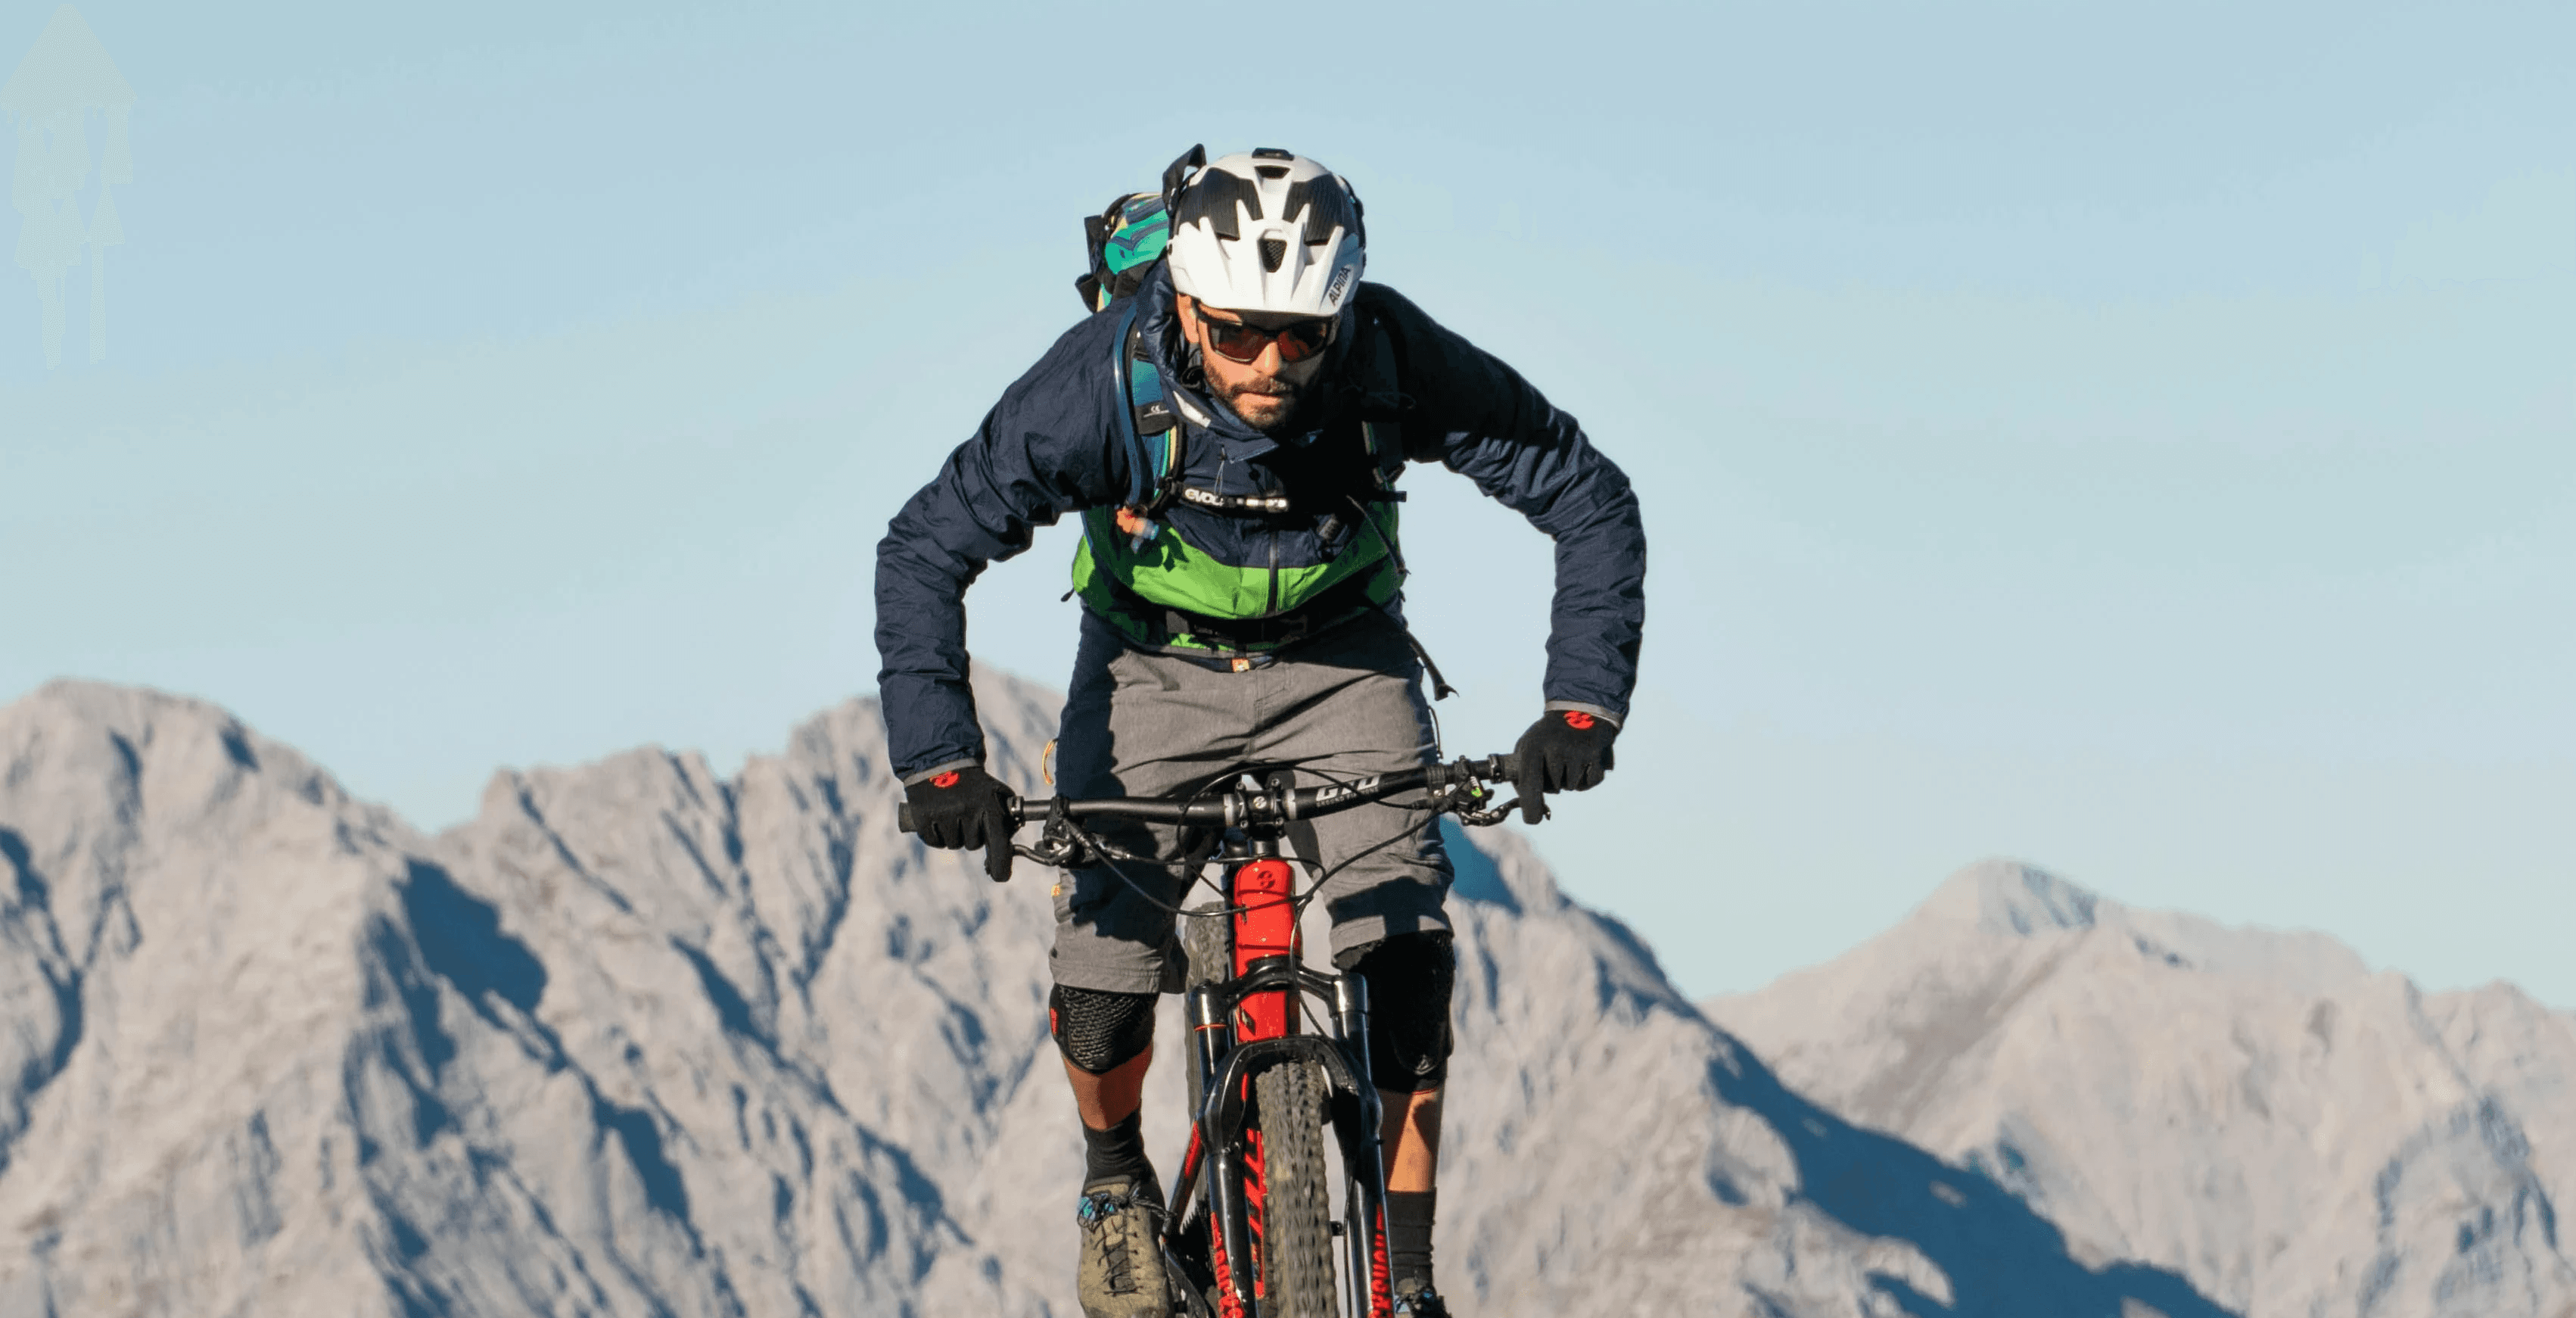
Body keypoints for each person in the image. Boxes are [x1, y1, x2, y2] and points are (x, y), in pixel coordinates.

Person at [876, 148, 1644, 1318]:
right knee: (1103, 985)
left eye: (1302, 336)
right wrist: (940, 759)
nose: (1271, 364)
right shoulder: (1098, 383)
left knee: (1407, 961)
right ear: (1182, 301)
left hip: (1344, 660)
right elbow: (926, 547)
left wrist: (1580, 705)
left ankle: (1411, 1283)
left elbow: (1584, 494)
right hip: (1148, 667)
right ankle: (1115, 1188)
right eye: (1239, 333)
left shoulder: (1391, 356)